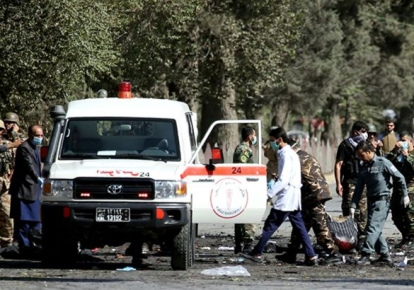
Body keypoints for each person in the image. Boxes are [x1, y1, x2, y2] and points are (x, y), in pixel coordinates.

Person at [242, 128, 317, 265]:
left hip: (287, 196)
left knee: (271, 224)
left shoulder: (285, 154)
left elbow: (284, 180)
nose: (271, 144)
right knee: (300, 228)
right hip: (292, 196)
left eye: (272, 141)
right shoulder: (288, 153)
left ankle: (257, 252)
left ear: (279, 140)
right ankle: (311, 255)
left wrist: (268, 194)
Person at [278, 139, 339, 264]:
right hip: (312, 194)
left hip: (314, 194)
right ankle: (292, 252)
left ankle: (332, 252)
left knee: (319, 224)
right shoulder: (304, 155)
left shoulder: (297, 158)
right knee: (301, 225)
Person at [351, 141, 409, 266]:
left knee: (372, 227)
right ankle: (384, 255)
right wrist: (353, 205)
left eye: (362, 155)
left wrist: (405, 194)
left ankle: (366, 254)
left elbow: (399, 177)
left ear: (369, 152)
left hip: (382, 200)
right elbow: (359, 188)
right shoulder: (364, 167)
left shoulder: (383, 163)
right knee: (374, 228)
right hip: (371, 200)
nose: (360, 158)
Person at [9, 125, 44, 256]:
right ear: (30, 135)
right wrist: (38, 178)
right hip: (25, 189)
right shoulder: (24, 148)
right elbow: (29, 165)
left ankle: (34, 246)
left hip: (34, 189)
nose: (40, 138)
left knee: (36, 220)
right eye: (37, 135)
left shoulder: (35, 147)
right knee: (24, 221)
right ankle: (25, 247)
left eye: (41, 135)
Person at [334, 121, 369, 242]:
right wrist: (338, 183)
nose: (365, 134)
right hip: (350, 182)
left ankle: (362, 238)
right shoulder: (345, 145)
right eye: (363, 132)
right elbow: (338, 164)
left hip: (364, 182)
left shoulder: (366, 144)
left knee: (363, 211)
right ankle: (349, 238)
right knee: (349, 210)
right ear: (355, 132)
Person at [386, 131, 414, 248]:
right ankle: (405, 236)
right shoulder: (398, 155)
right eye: (401, 141)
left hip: (411, 187)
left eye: (404, 141)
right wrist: (394, 151)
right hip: (398, 188)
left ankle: (412, 238)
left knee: (409, 213)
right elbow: (387, 163)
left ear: (411, 142)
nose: (402, 143)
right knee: (396, 213)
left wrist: (407, 156)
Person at [232, 126, 257, 254]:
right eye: (254, 135)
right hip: (244, 186)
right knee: (247, 215)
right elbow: (243, 168)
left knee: (240, 215)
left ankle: (239, 243)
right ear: (250, 136)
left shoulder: (242, 148)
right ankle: (246, 243)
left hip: (241, 185)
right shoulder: (244, 150)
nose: (255, 137)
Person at [0, 120, 22, 247]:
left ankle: (6, 241)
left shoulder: (8, 143)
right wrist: (12, 145)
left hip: (4, 182)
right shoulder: (9, 145)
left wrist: (15, 135)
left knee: (7, 214)